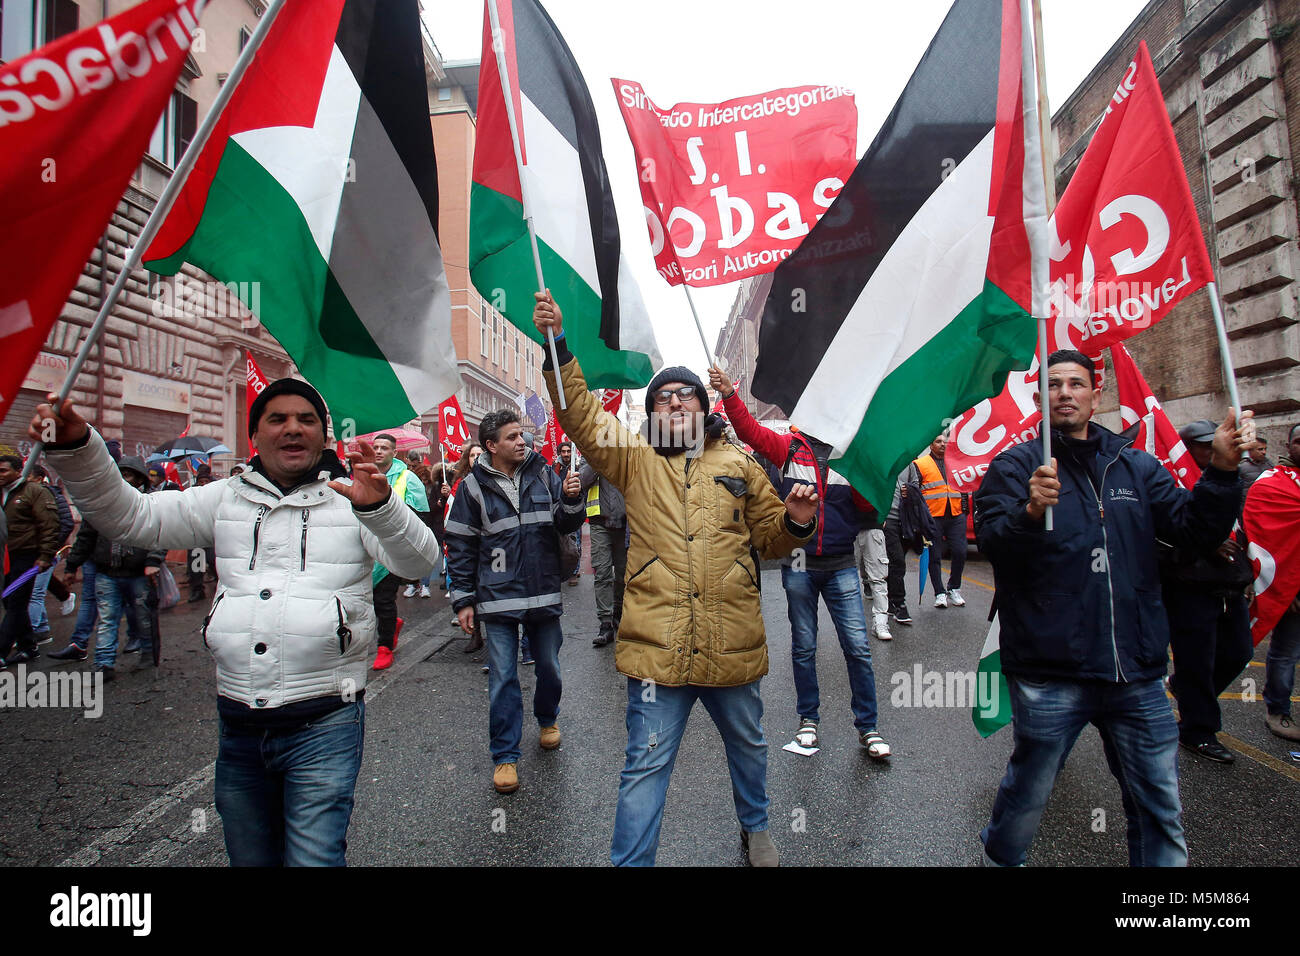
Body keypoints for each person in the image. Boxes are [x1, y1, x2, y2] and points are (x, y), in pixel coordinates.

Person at [34, 379, 436, 866]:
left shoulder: (350, 498)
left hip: (326, 720)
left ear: (323, 437)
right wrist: (78, 448)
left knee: (314, 859)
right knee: (250, 859)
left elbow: (417, 562)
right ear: (256, 437)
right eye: (278, 419)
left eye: (306, 420)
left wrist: (380, 508)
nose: (293, 428)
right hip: (240, 722)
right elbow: (131, 517)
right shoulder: (224, 497)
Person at [537, 291, 818, 867]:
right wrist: (558, 345)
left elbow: (770, 537)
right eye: (662, 399)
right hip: (656, 649)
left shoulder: (739, 463)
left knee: (749, 746)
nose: (674, 404)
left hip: (731, 641)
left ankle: (757, 829)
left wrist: (795, 521)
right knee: (645, 761)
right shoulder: (633, 459)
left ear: (702, 408)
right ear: (652, 413)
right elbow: (582, 414)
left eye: (684, 395)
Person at [975, 349, 1248, 867]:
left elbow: (1192, 533)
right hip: (1050, 671)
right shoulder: (1015, 467)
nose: (1065, 393)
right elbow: (994, 546)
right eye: (1053, 385)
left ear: (1096, 395)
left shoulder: (1135, 464)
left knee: (1158, 806)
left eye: (1077, 384)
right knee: (1028, 794)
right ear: (1039, 398)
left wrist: (1221, 473)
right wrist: (1031, 511)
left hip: (1137, 674)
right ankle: (1000, 857)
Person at [710, 368, 891, 756]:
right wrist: (728, 394)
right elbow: (749, 432)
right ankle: (808, 720)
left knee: (858, 647)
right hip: (798, 565)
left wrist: (868, 486)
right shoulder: (789, 448)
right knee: (804, 647)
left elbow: (869, 505)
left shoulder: (852, 452)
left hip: (841, 563)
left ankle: (869, 727)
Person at [444, 409, 585, 795]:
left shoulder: (543, 473)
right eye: (511, 437)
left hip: (542, 590)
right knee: (504, 677)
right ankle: (505, 755)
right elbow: (459, 546)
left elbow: (567, 524)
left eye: (522, 435)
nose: (522, 441)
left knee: (550, 668)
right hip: (497, 598)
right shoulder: (471, 488)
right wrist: (463, 599)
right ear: (491, 446)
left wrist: (572, 499)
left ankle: (547, 718)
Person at [1160, 420, 1254, 764]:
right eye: (1202, 444)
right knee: (1196, 661)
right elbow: (1163, 535)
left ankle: (1185, 689)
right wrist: (1205, 541)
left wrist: (1247, 578)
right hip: (1190, 587)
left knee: (1238, 652)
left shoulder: (1232, 481)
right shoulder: (1171, 483)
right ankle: (1198, 730)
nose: (1210, 448)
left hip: (1229, 586)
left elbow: (1243, 530)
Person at [64, 456, 166, 679]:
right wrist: (72, 566)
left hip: (139, 574)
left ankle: (148, 655)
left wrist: (153, 561)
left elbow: (162, 534)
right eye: (120, 474)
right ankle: (104, 663)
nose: (123, 479)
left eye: (128, 475)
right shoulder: (100, 504)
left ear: (139, 479)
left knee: (144, 617)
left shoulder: (151, 503)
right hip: (107, 573)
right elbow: (86, 537)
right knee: (107, 619)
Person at [1247, 422, 1300, 742]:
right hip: (1286, 586)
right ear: (1290, 445)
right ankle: (1277, 710)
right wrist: (1283, 585)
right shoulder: (1271, 484)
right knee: (1284, 652)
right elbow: (1261, 535)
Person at [369, 433, 430, 670]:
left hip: (392, 550)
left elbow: (421, 517)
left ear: (395, 453)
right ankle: (391, 624)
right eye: (375, 447)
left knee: (384, 598)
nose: (379, 451)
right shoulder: (362, 475)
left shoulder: (408, 478)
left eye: (384, 448)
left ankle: (385, 647)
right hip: (365, 549)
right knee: (367, 599)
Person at [0, 454, 60, 666]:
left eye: (4, 471)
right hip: (5, 556)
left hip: (26, 556)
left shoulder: (34, 492)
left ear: (18, 471)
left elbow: (50, 525)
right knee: (9, 601)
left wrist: (45, 556)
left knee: (15, 601)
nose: (0, 475)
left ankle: (2, 651)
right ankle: (28, 646)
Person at [911, 431, 967, 608]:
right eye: (938, 441)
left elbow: (964, 485)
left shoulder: (956, 462)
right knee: (934, 556)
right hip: (933, 516)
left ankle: (954, 588)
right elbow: (915, 492)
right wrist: (920, 519)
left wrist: (964, 509)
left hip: (956, 514)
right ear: (931, 445)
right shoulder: (920, 464)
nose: (943, 444)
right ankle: (940, 592)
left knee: (960, 551)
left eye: (945, 441)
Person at [579, 458, 626, 647]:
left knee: (623, 574)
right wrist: (597, 456)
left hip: (625, 523)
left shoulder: (627, 449)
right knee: (603, 573)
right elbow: (583, 479)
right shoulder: (590, 452)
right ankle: (605, 623)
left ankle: (619, 612)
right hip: (599, 522)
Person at [27, 464, 77, 642]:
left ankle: (29, 635)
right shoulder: (27, 496)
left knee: (35, 593)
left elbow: (67, 523)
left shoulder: (53, 495)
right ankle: (41, 629)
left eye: (29, 477)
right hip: (33, 551)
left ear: (40, 479)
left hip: (47, 553)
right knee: (34, 591)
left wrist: (51, 547)